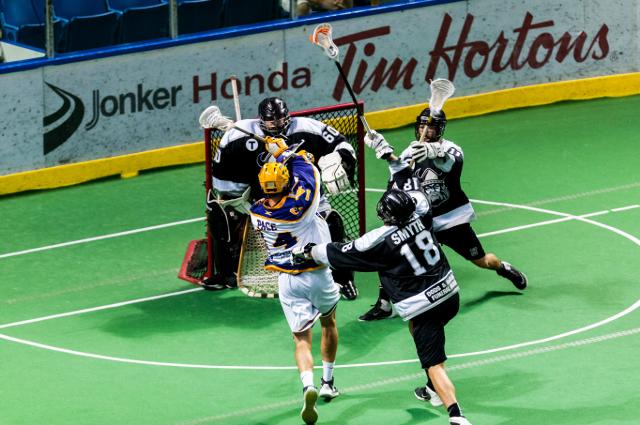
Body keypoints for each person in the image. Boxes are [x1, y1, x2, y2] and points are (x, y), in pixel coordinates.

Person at [294, 185, 473, 425]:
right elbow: (419, 196)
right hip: (450, 294)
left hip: (424, 305)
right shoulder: (422, 213)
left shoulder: (380, 241)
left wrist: (310, 251)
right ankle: (431, 389)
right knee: (420, 331)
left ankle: (456, 415)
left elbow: (341, 251)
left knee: (434, 364)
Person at [358, 108, 527, 320]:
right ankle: (384, 304)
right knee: (391, 254)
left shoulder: (451, 148)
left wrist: (434, 151)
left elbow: (452, 162)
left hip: (451, 220)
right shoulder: (410, 152)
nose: (425, 131)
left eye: (430, 127)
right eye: (422, 126)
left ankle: (502, 267)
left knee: (482, 260)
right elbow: (399, 181)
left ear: (440, 130)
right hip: (422, 221)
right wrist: (387, 153)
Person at [201, 97, 359, 300]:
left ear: (287, 116)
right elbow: (222, 178)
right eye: (271, 121)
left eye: (280, 119)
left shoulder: (306, 128)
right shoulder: (238, 135)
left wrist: (339, 158)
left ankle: (343, 278)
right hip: (264, 202)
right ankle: (226, 273)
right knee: (220, 216)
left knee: (332, 223)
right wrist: (238, 197)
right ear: (261, 120)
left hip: (305, 199)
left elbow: (342, 144)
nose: (276, 124)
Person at [250, 139, 342, 425]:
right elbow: (310, 175)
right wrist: (287, 153)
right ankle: (328, 382)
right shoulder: (301, 207)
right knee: (329, 322)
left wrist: (280, 158)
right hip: (317, 273)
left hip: (287, 280)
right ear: (286, 183)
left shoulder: (256, 212)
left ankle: (307, 385)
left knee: (301, 339)